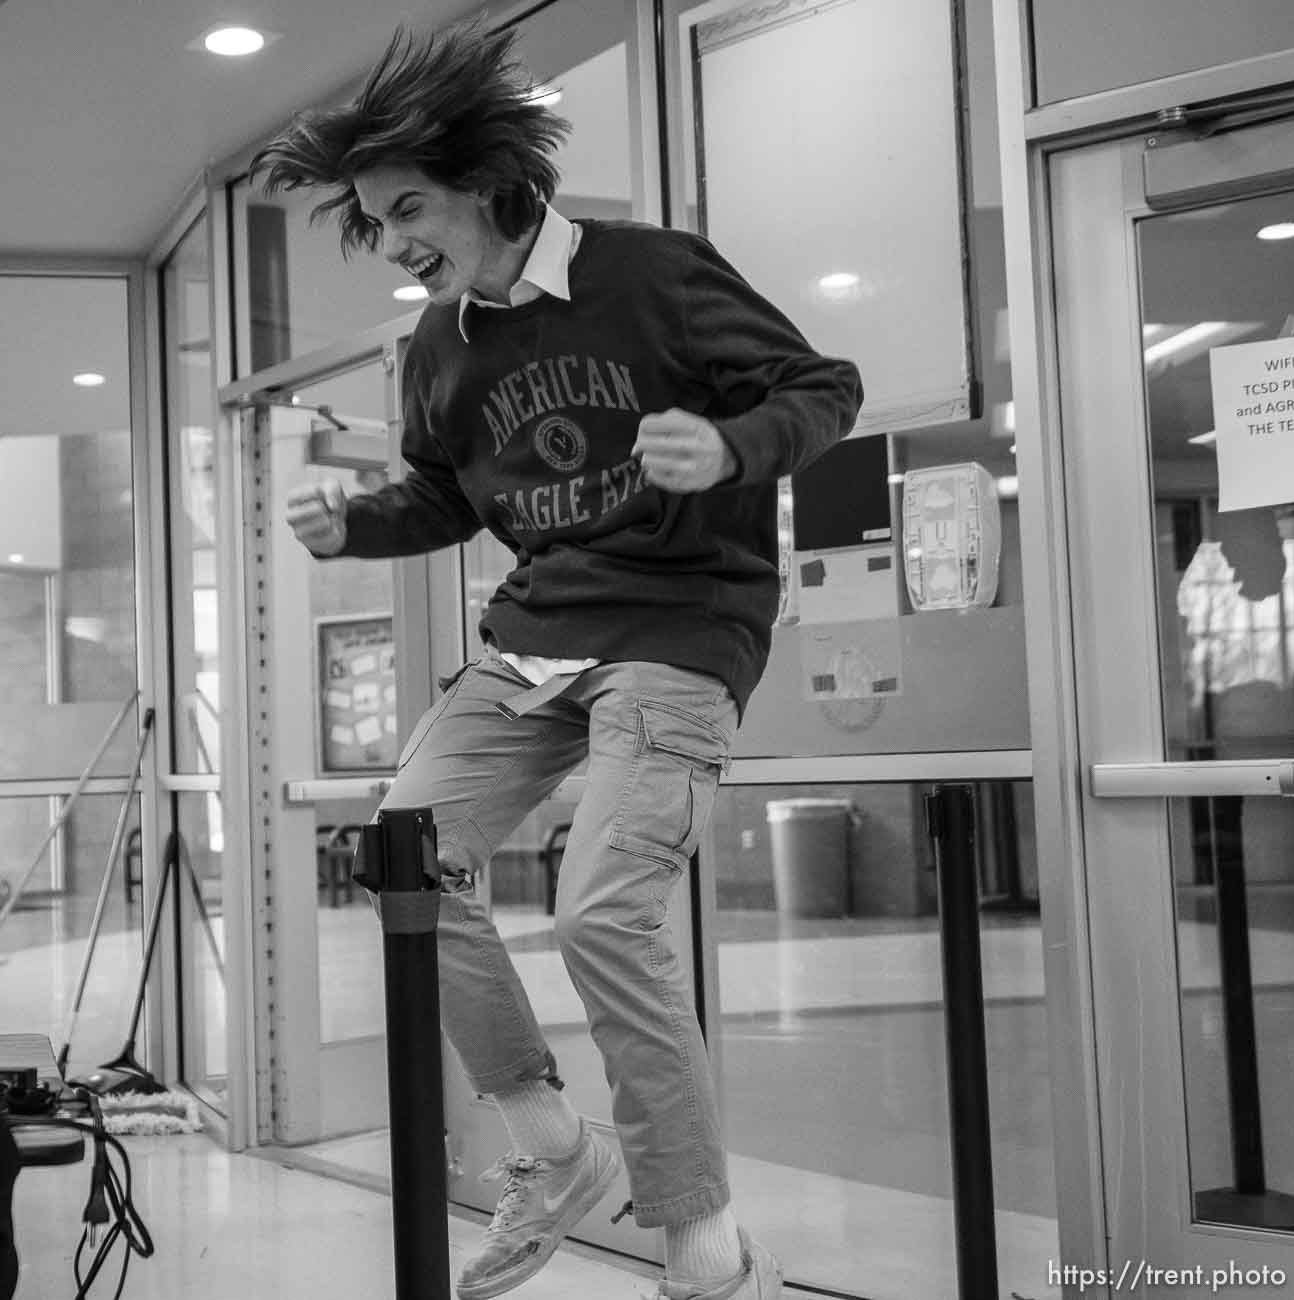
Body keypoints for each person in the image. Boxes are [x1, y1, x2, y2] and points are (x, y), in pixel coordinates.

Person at [251, 20, 862, 1300]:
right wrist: (356, 524)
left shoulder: (653, 275)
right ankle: (552, 1149)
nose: (399, 238)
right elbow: (442, 496)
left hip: (679, 625)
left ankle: (703, 1250)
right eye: (377, 218)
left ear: (489, 184)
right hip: (534, 642)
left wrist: (733, 447)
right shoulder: (441, 344)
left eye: (409, 205)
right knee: (405, 851)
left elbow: (822, 385)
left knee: (598, 911)